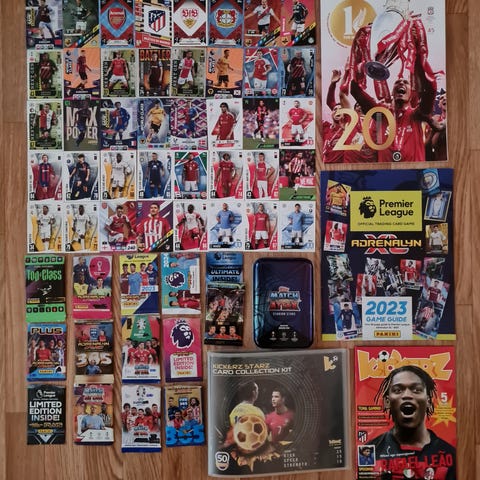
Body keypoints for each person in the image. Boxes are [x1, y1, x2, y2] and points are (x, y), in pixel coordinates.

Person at [370, 365, 455, 479]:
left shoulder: (450, 454)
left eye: (416, 390)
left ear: (428, 401)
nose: (407, 395)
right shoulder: (371, 451)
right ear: (387, 402)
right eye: (398, 390)